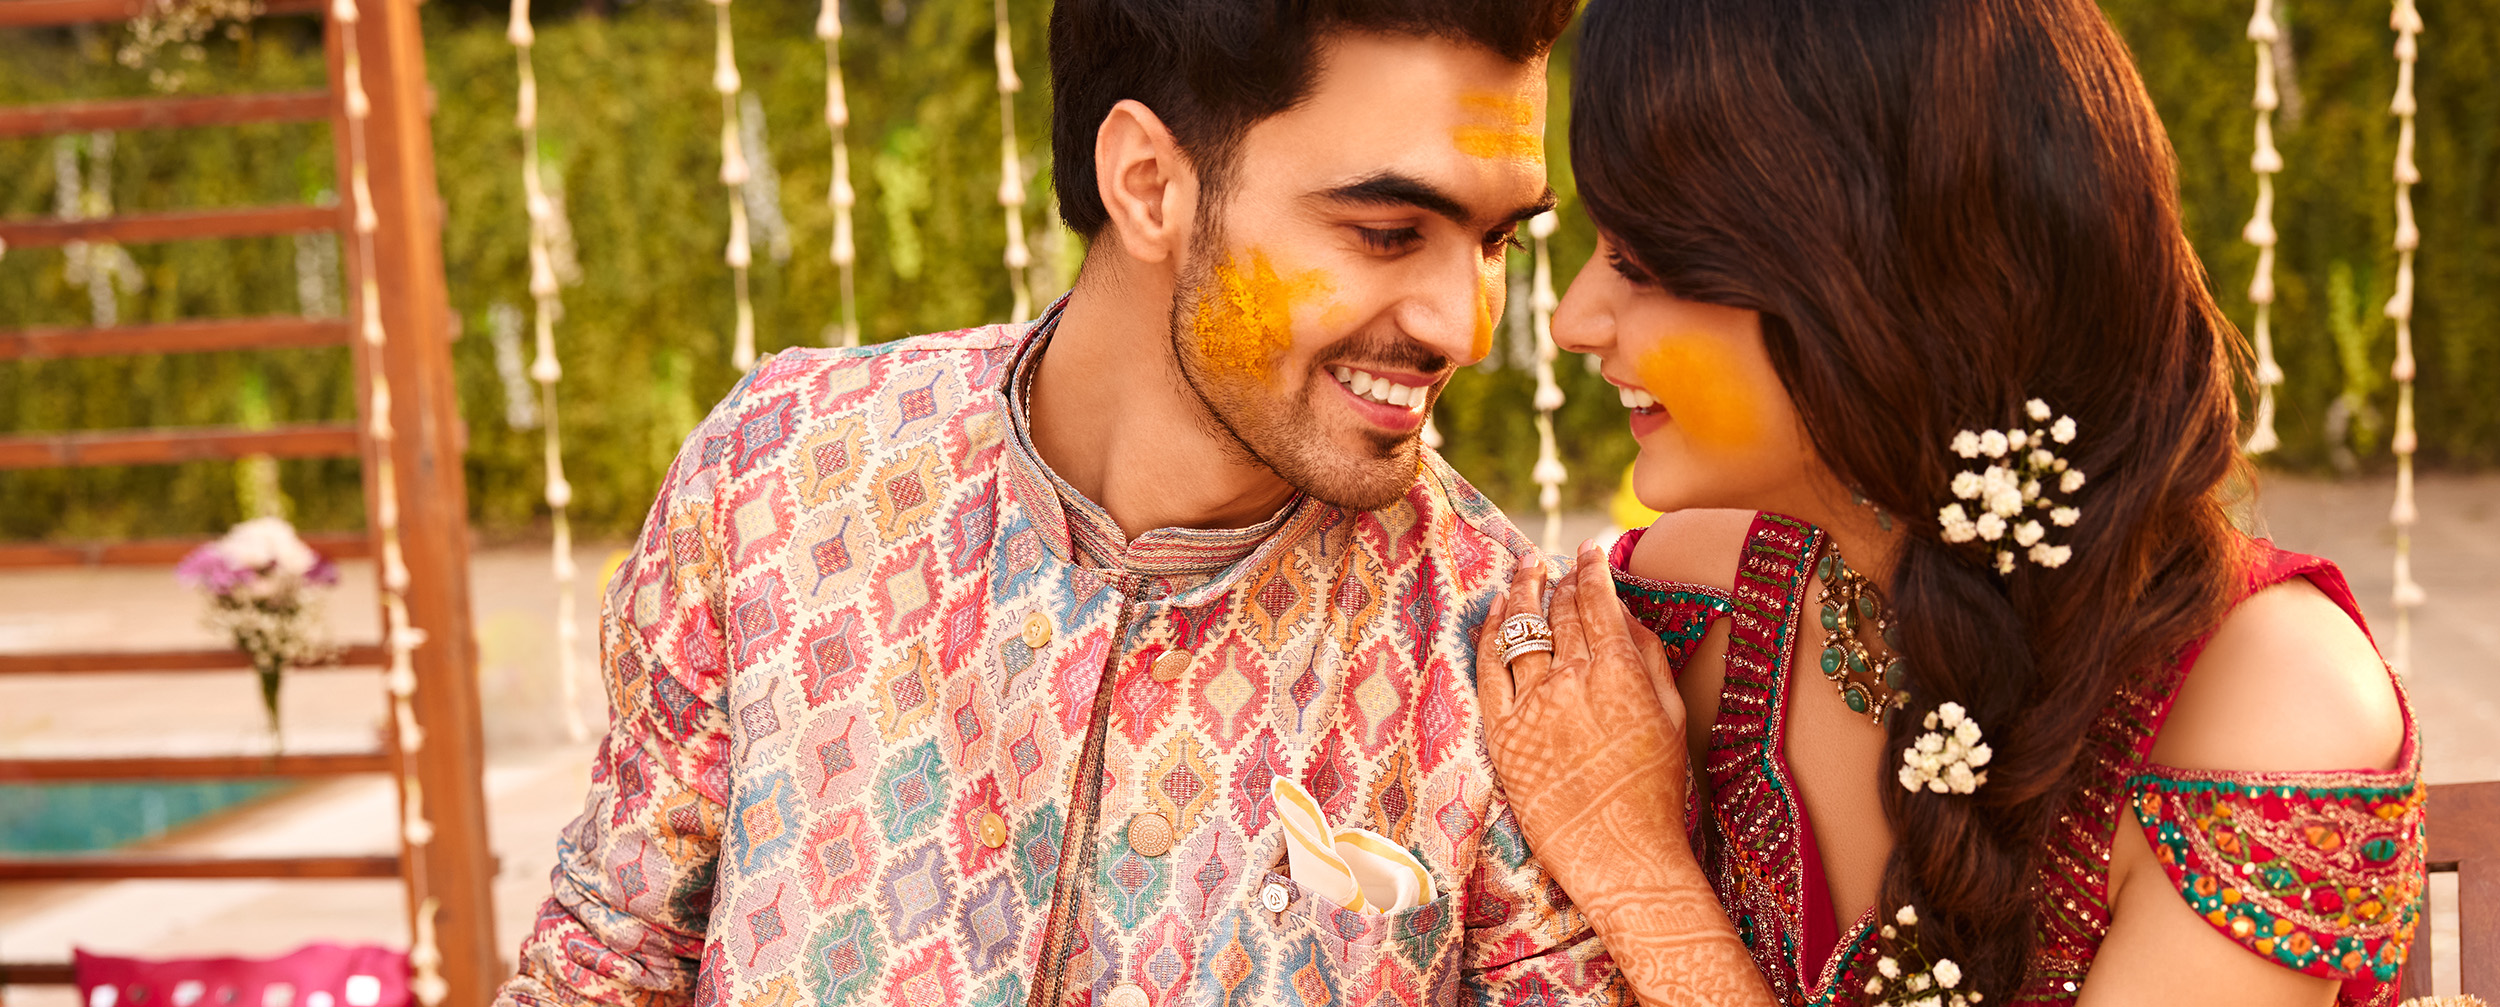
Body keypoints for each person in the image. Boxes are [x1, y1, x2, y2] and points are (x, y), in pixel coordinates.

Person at [495, 1, 1633, 1005]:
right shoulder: (782, 477)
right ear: (1148, 183)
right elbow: (610, 961)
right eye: (1386, 233)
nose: (1465, 325)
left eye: (1495, 239)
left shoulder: (1495, 642)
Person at [1472, 1, 2426, 1005]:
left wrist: (1641, 882)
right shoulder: (1692, 605)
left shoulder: (2267, 704)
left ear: (1869, 278)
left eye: (1641, 263)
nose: (1574, 319)